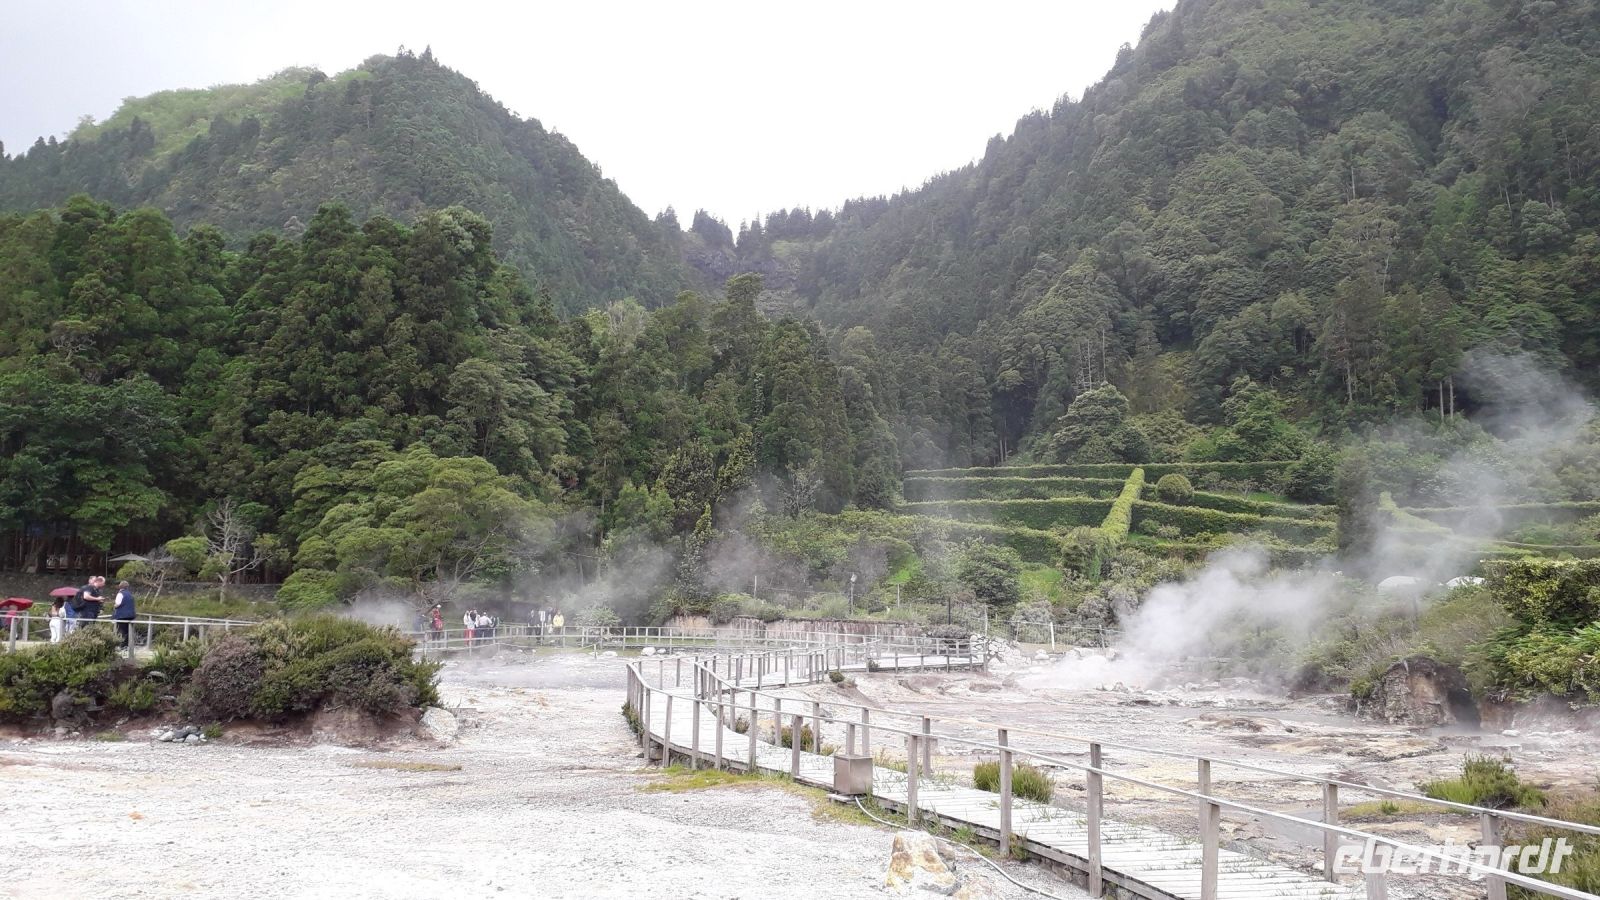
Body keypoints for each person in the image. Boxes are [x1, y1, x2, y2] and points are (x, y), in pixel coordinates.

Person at [111, 580, 136, 650]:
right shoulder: (130, 594)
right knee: (128, 631)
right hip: (131, 615)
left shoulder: (120, 594)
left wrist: (114, 606)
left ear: (120, 586)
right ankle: (127, 645)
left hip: (122, 615)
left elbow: (117, 604)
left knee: (121, 631)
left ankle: (121, 645)